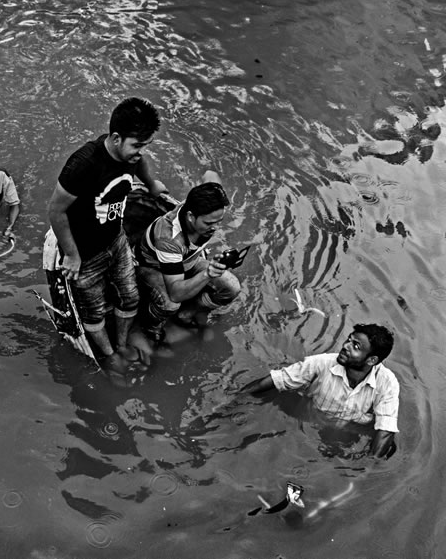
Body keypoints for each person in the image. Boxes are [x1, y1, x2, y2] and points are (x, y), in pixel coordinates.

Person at [47, 97, 170, 374]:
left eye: (145, 145)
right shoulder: (84, 164)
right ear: (116, 138)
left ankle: (123, 343)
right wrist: (72, 255)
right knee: (95, 310)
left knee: (130, 297)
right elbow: (56, 212)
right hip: (85, 253)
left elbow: (140, 164)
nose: (141, 152)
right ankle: (109, 354)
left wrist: (151, 185)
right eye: (137, 145)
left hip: (116, 240)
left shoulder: (131, 156)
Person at [240, 323, 400, 458]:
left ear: (372, 360)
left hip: (350, 432)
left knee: (388, 448)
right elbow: (276, 380)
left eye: (355, 346)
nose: (345, 346)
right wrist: (235, 401)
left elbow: (386, 429)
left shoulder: (387, 383)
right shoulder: (320, 363)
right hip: (311, 424)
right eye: (349, 340)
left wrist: (367, 472)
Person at [134, 174, 241, 348]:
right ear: (191, 217)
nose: (215, 228)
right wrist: (207, 274)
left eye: (218, 222)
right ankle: (151, 328)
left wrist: (215, 190)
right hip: (152, 267)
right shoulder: (169, 239)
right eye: (209, 223)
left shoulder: (201, 214)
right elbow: (176, 293)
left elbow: (209, 174)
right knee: (169, 304)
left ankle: (186, 315)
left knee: (231, 287)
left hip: (186, 261)